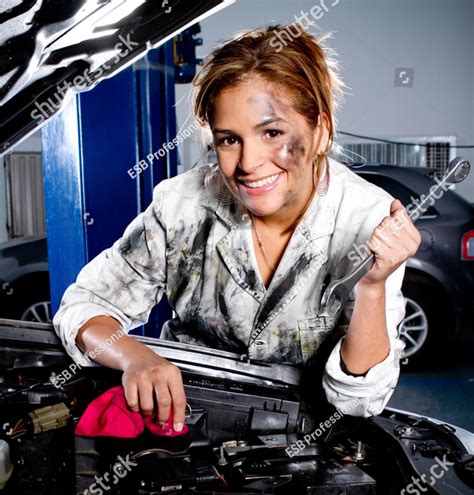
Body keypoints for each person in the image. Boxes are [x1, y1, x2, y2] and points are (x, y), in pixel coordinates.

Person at [53, 25, 420, 432]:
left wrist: (372, 286)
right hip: (183, 424)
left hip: (308, 438)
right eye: (229, 140)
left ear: (321, 131)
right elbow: (83, 308)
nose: (248, 163)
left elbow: (359, 398)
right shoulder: (184, 205)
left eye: (273, 133)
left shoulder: (365, 218)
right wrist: (135, 357)